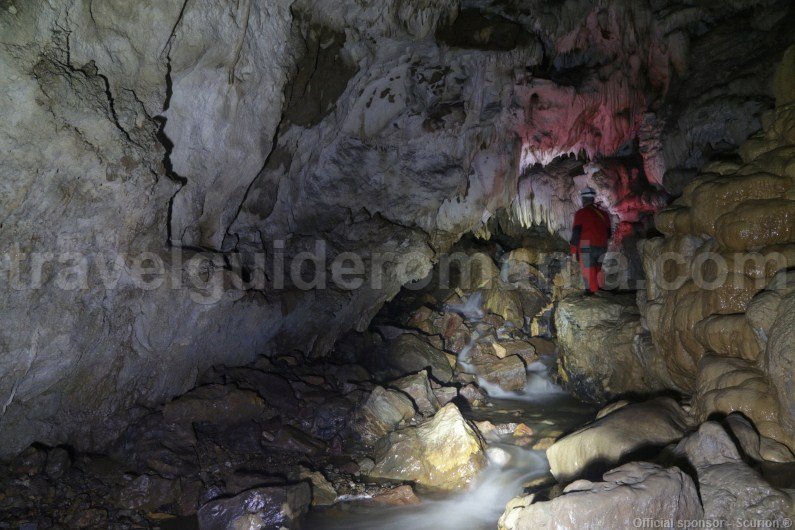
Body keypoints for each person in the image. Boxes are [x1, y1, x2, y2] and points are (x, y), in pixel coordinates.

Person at [569, 187, 612, 294]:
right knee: (598, 269)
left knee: (588, 271)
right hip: (602, 246)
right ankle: (600, 291)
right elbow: (609, 233)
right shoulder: (604, 214)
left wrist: (573, 251)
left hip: (586, 246)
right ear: (593, 199)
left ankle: (592, 295)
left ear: (583, 200)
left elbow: (576, 233)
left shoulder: (581, 213)